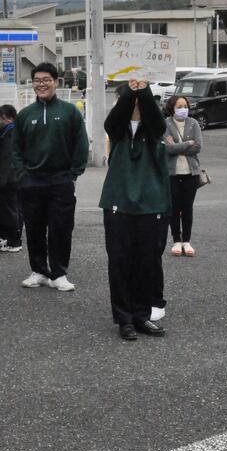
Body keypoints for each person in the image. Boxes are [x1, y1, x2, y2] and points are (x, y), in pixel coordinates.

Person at [99, 81, 169, 340]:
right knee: (119, 262)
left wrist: (144, 90)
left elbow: (156, 120)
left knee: (147, 262)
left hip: (150, 203)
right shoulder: (118, 132)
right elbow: (112, 121)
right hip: (117, 203)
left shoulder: (154, 131)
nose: (136, 102)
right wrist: (130, 90)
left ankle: (141, 315)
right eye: (131, 100)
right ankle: (124, 319)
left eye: (140, 99)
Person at [12, 62, 88, 292]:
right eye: (37, 80)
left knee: (61, 228)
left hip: (61, 180)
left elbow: (81, 144)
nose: (41, 84)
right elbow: (15, 148)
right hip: (31, 180)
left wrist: (73, 173)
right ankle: (39, 271)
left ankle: (59, 273)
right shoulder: (25, 114)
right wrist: (22, 174)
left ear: (56, 82)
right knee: (34, 228)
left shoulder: (70, 111)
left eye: (46, 80)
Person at [163, 95, 203, 259]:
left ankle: (187, 240)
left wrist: (176, 146)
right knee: (173, 208)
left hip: (191, 173)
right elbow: (167, 149)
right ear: (172, 108)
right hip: (172, 173)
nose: (183, 109)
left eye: (185, 106)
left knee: (187, 207)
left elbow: (198, 147)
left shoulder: (193, 123)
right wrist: (187, 143)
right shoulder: (166, 124)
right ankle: (176, 241)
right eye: (179, 107)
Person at [0, 104, 23, 252]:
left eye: (2, 118)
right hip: (13, 177)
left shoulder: (10, 134)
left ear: (11, 118)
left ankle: (14, 241)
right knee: (14, 209)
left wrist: (1, 179)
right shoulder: (8, 133)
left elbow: (7, 159)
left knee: (11, 210)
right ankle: (13, 239)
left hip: (10, 178)